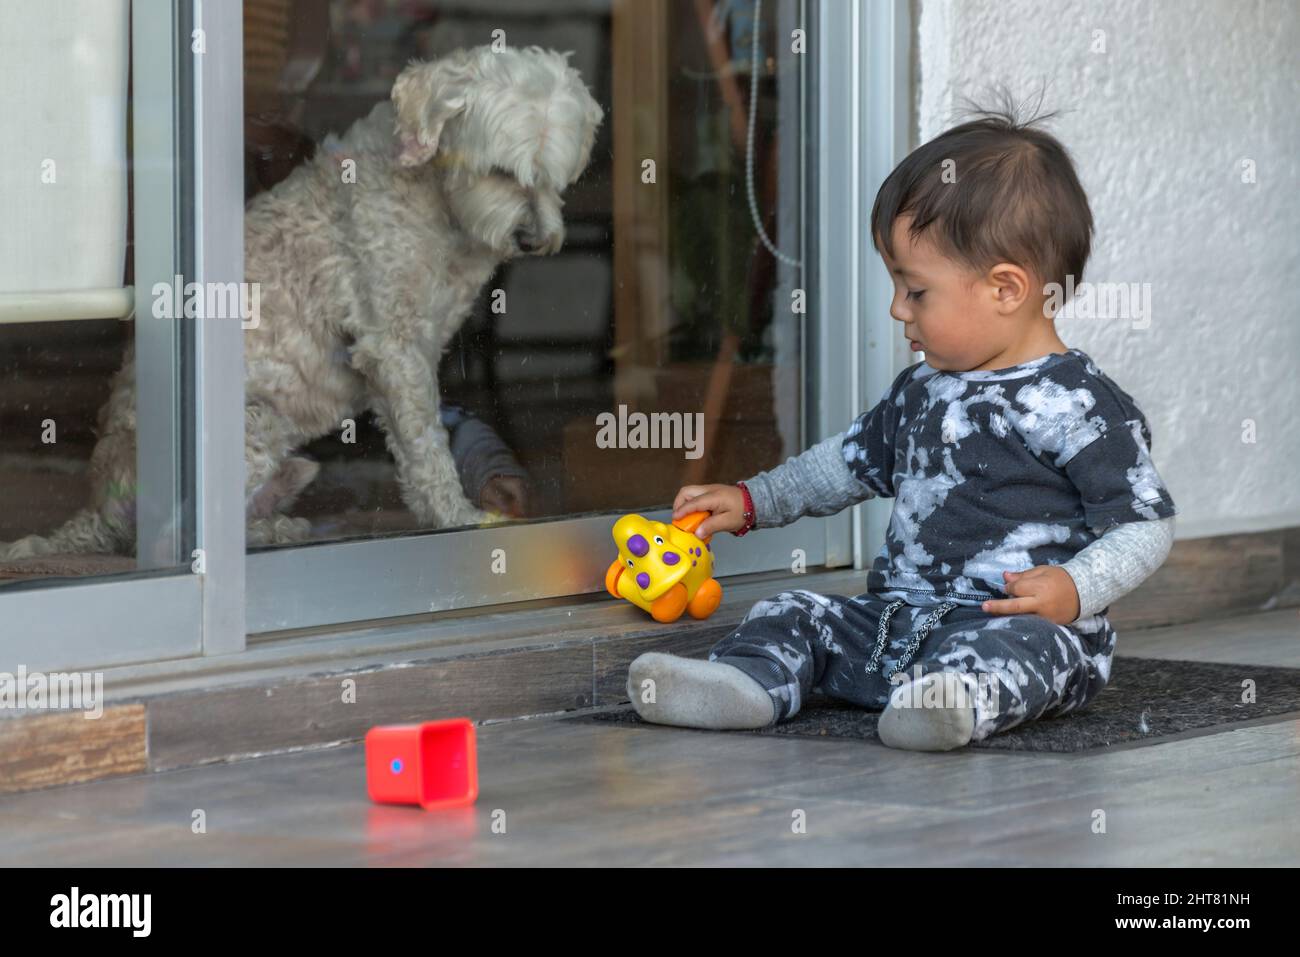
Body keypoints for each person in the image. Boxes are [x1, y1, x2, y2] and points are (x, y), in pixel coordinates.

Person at [626, 101, 1177, 751]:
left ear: (1006, 289)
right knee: (792, 610)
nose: (896, 308)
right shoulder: (921, 389)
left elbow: (1145, 524)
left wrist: (1075, 588)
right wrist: (754, 499)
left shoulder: (1077, 404)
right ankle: (741, 684)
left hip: (1017, 624)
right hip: (896, 623)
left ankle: (952, 705)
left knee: (1029, 653)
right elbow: (842, 465)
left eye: (915, 290)